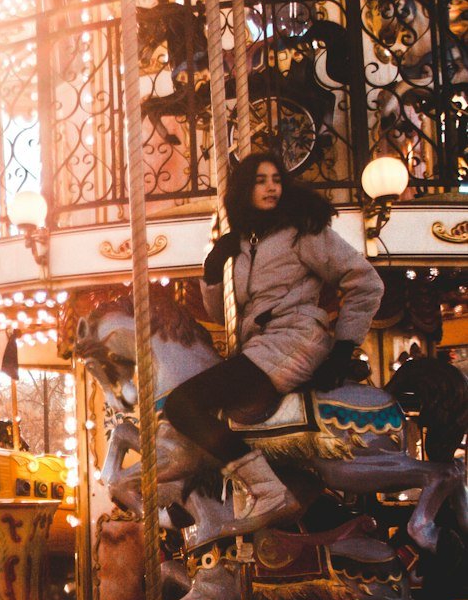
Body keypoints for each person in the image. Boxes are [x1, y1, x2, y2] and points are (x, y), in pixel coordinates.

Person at [163, 150, 384, 532]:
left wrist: (344, 346)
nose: (270, 188)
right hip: (261, 346)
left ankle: (266, 489)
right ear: (245, 189)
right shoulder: (246, 241)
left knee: (182, 405)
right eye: (260, 180)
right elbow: (223, 316)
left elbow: (365, 282)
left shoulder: (303, 231)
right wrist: (213, 272)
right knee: (198, 414)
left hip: (294, 340)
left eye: (276, 179)